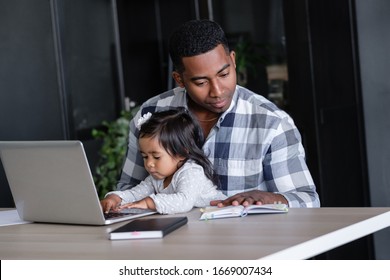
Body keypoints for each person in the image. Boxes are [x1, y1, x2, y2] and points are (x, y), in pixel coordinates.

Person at [116, 19, 320, 208]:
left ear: (233, 60)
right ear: (179, 79)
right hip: (171, 243)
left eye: (224, 74)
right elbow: (128, 190)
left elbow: (308, 200)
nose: (218, 91)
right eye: (201, 82)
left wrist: (272, 198)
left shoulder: (271, 123)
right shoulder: (151, 114)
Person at [100, 109, 227, 214]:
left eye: (156, 157)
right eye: (145, 156)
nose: (149, 163)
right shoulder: (157, 178)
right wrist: (115, 198)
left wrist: (148, 202)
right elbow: (135, 194)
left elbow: (184, 201)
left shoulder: (191, 171)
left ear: (181, 153)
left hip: (224, 218)